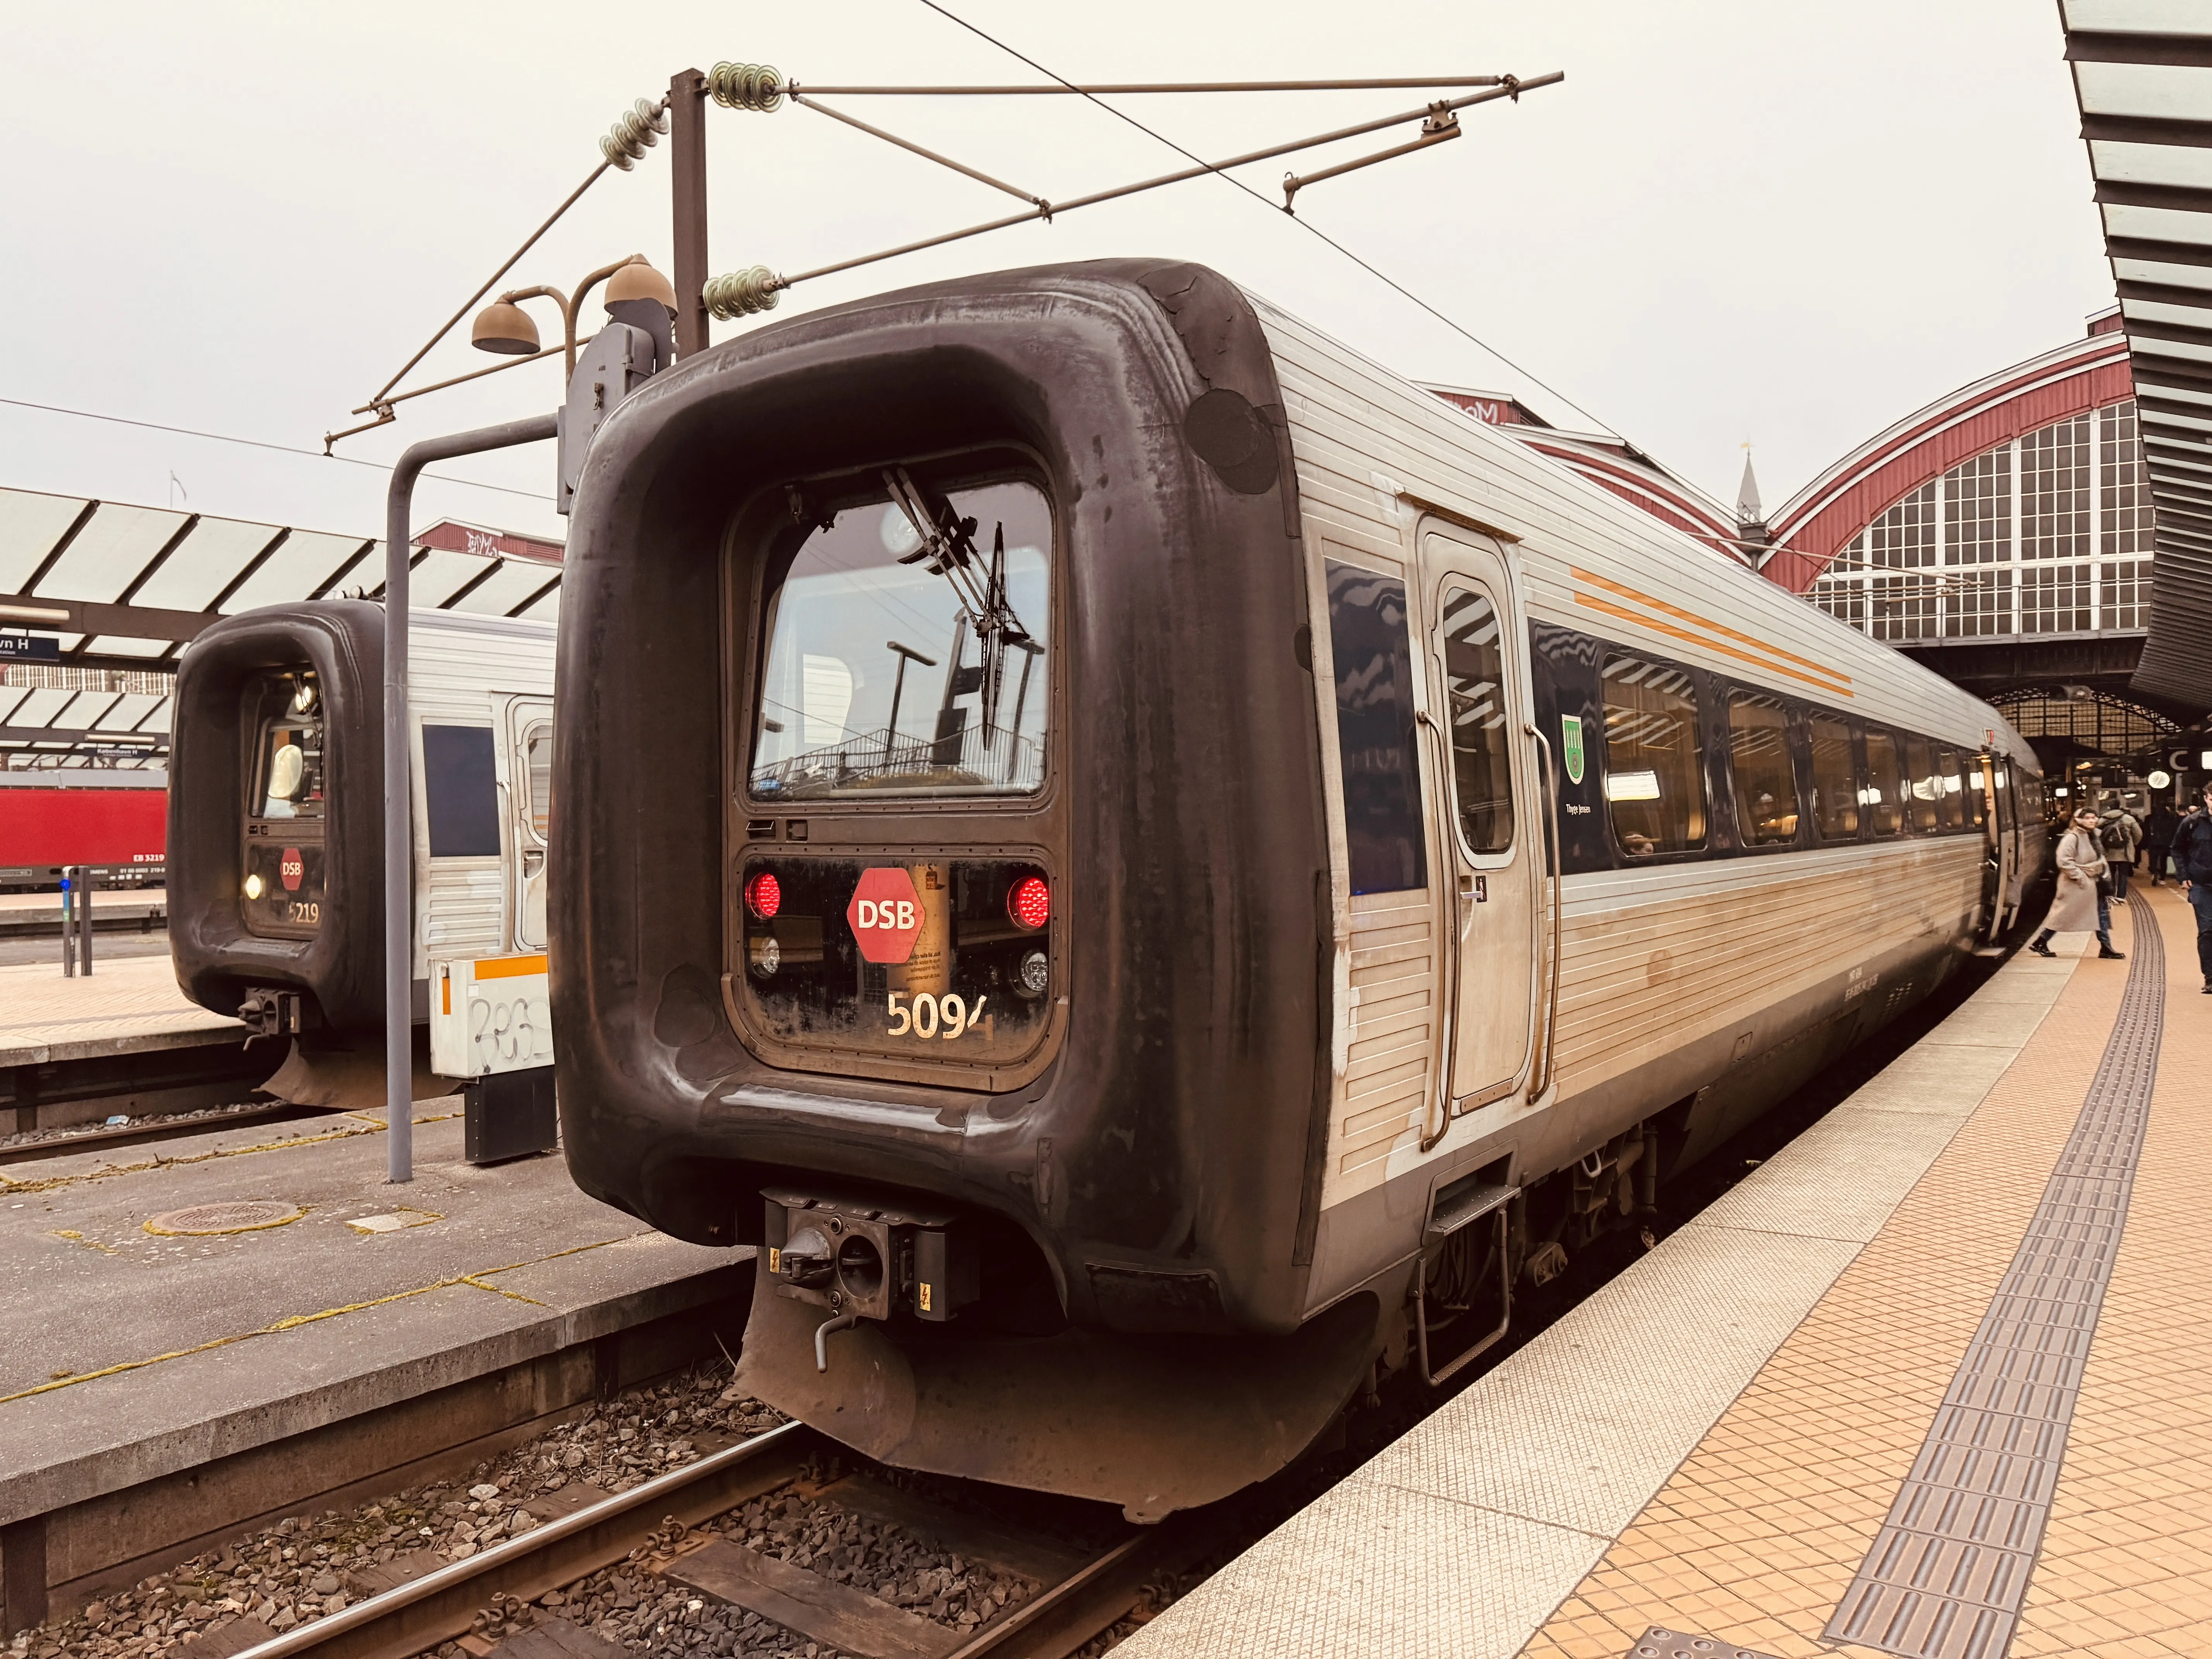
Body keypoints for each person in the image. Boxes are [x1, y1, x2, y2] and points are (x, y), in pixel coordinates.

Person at [2028, 805, 2124, 960]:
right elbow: (2064, 861)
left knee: (2100, 914)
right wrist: (2081, 878)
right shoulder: (2072, 837)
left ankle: (2106, 947)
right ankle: (2041, 941)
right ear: (2078, 820)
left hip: (2093, 883)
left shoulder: (2093, 836)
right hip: (2076, 885)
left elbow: (2098, 857)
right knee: (2063, 915)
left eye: (2094, 818)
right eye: (2088, 818)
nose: (2092, 821)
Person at [2175, 781, 2212, 994]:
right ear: (2206, 798)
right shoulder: (2192, 823)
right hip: (2201, 884)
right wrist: (2183, 875)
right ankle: (2210, 977)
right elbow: (2178, 848)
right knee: (2207, 931)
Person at [2146, 799, 2183, 888]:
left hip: (2153, 841)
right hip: (2166, 842)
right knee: (2163, 860)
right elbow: (2175, 830)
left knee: (2153, 859)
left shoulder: (2150, 817)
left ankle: (2154, 872)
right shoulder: (2172, 817)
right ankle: (2162, 878)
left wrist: (2146, 843)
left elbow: (2146, 831)